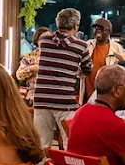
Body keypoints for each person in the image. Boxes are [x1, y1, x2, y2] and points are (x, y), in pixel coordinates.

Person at [30, 10, 87, 150]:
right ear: (76, 25)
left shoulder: (44, 41)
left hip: (42, 98)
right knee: (70, 143)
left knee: (42, 144)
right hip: (64, 100)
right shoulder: (81, 46)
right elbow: (88, 69)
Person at [83, 17, 125, 96]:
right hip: (87, 94)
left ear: (108, 32)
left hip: (107, 96)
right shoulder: (87, 45)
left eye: (101, 28)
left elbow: (124, 71)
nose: (97, 30)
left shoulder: (117, 48)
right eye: (96, 28)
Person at [14, 26, 51, 94]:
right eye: (44, 38)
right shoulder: (30, 57)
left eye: (49, 38)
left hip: (52, 93)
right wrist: (32, 68)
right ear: (37, 40)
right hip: (34, 93)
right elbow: (19, 75)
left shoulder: (55, 56)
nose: (48, 40)